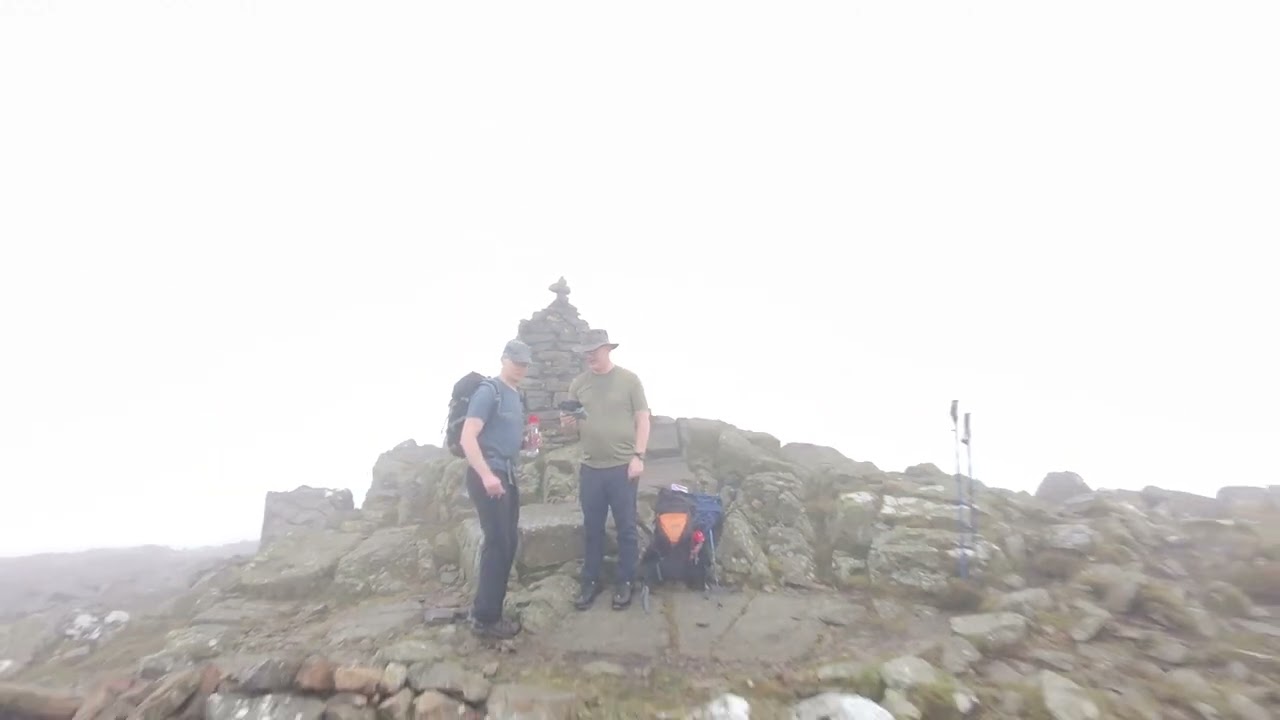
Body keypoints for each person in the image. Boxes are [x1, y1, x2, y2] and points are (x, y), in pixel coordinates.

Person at [562, 328, 651, 610]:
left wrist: (639, 456)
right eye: (586, 351)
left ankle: (625, 582)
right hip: (591, 467)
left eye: (594, 350)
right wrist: (568, 424)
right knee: (592, 528)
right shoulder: (578, 384)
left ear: (607, 349)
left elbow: (643, 420)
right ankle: (590, 581)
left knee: (626, 527)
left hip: (623, 466)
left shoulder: (629, 380)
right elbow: (571, 429)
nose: (589, 355)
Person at [458, 339, 532, 638]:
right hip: (488, 474)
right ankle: (485, 619)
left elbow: (507, 437)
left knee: (508, 543)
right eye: (516, 361)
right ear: (504, 359)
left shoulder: (516, 396)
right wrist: (487, 475)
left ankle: (490, 610)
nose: (521, 367)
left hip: (508, 474)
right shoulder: (489, 392)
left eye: (525, 363)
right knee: (498, 543)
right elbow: (467, 438)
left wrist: (526, 444)